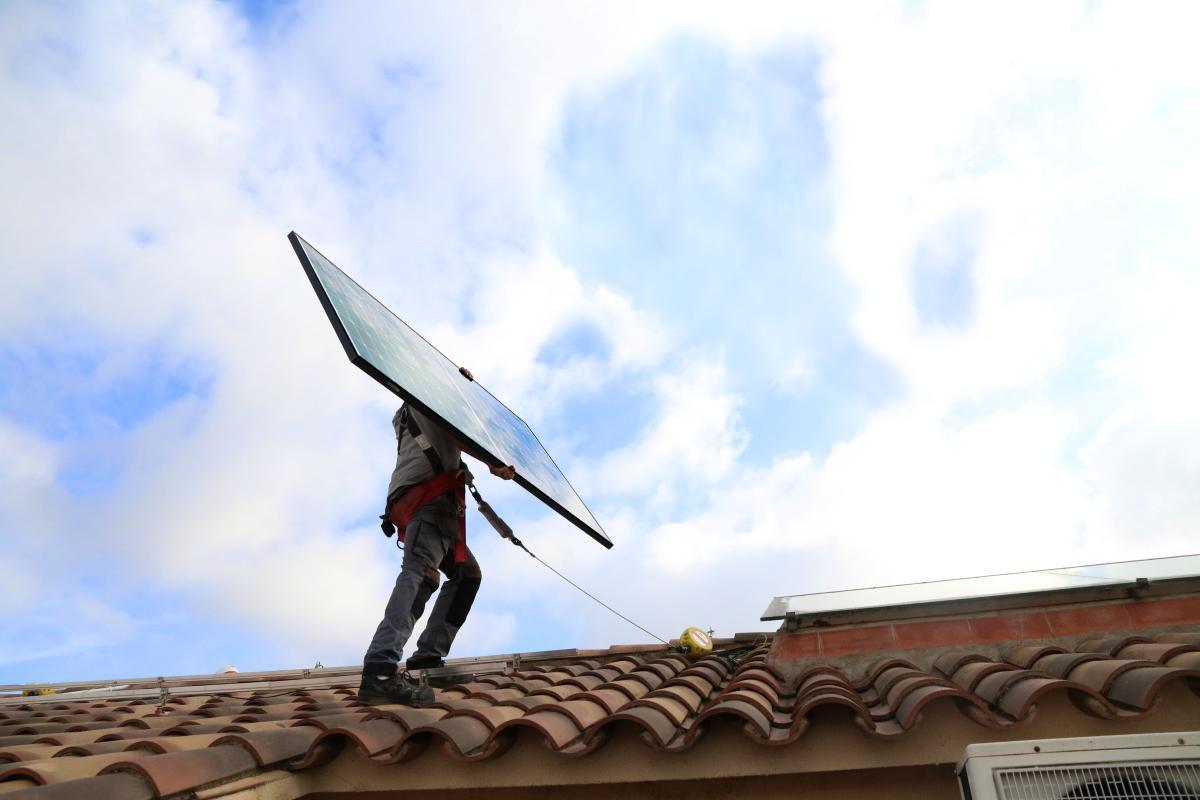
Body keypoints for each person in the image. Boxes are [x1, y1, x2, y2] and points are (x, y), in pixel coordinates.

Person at [359, 366, 516, 707]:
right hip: (429, 501)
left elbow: (446, 437)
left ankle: (427, 658)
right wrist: (492, 462)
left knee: (466, 575)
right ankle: (380, 669)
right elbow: (458, 432)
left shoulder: (410, 408)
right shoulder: (430, 399)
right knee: (421, 575)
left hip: (424, 502)